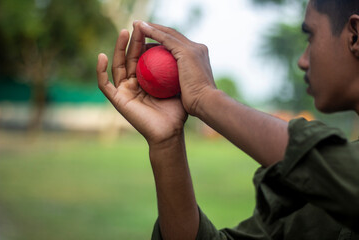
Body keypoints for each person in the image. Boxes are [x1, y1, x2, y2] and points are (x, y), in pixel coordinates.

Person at [96, 0, 359, 239]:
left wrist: (205, 98)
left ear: (355, 35)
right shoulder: (323, 199)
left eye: (310, 36)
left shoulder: (335, 181)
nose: (302, 61)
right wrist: (167, 143)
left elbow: (335, 172)